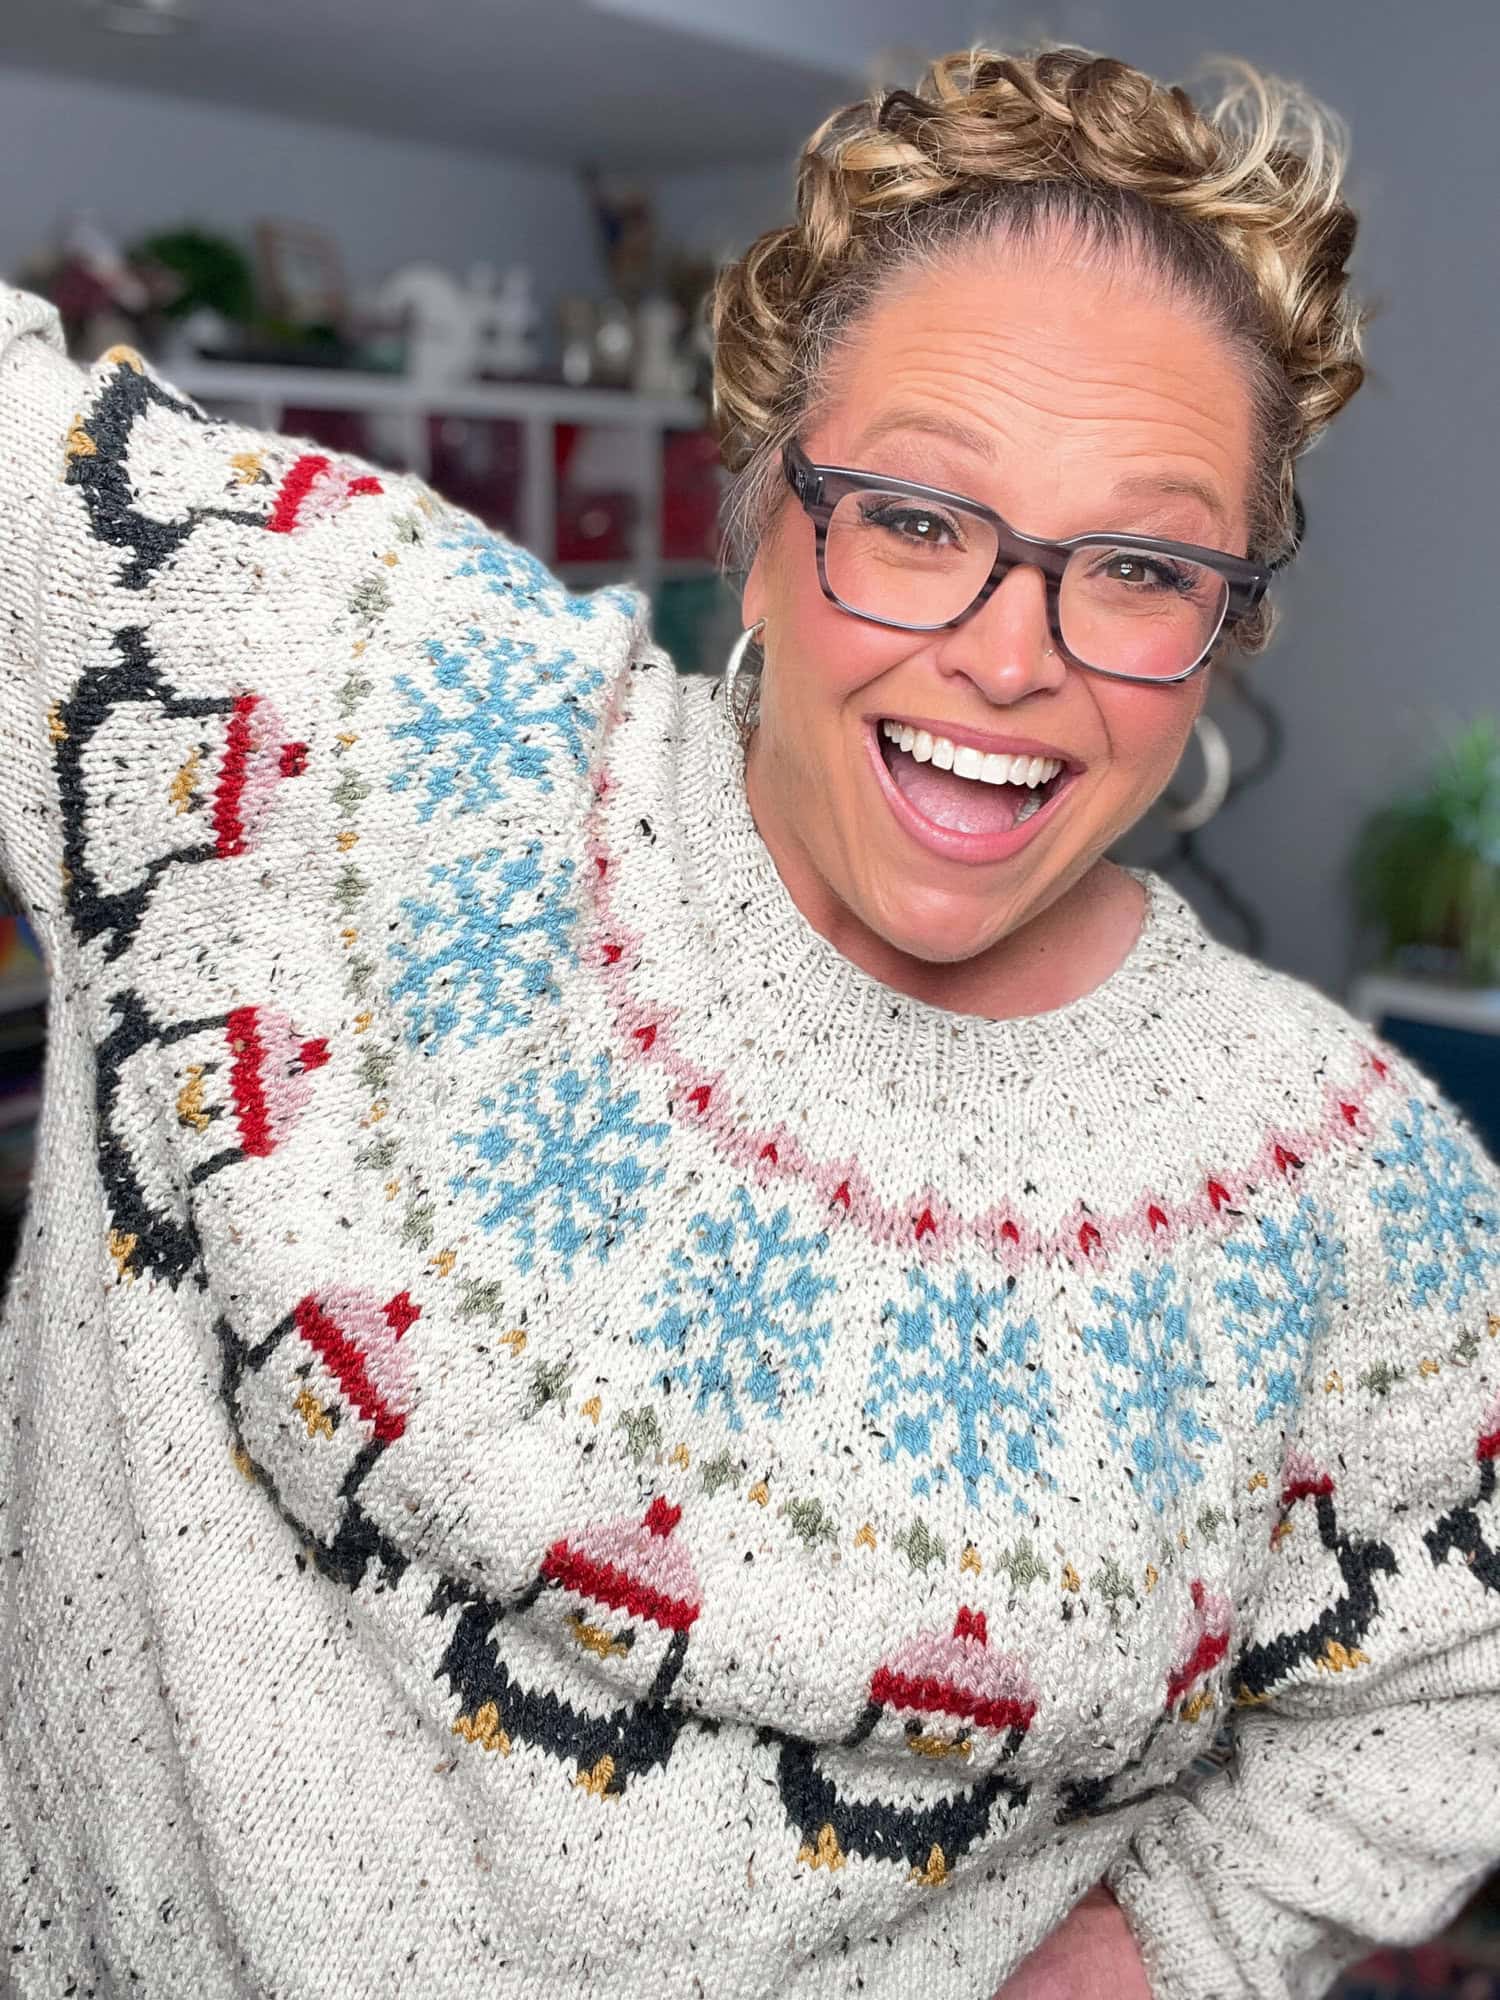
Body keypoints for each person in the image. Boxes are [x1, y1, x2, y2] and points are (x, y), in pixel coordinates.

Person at [0, 40, 1497, 2000]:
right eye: (916, 515)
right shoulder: (328, 703)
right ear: (764, 496)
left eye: (1139, 564)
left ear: (1224, 619)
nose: (1011, 652)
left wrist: (1163, 1948)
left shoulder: (1346, 1181)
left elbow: (1457, 1680)